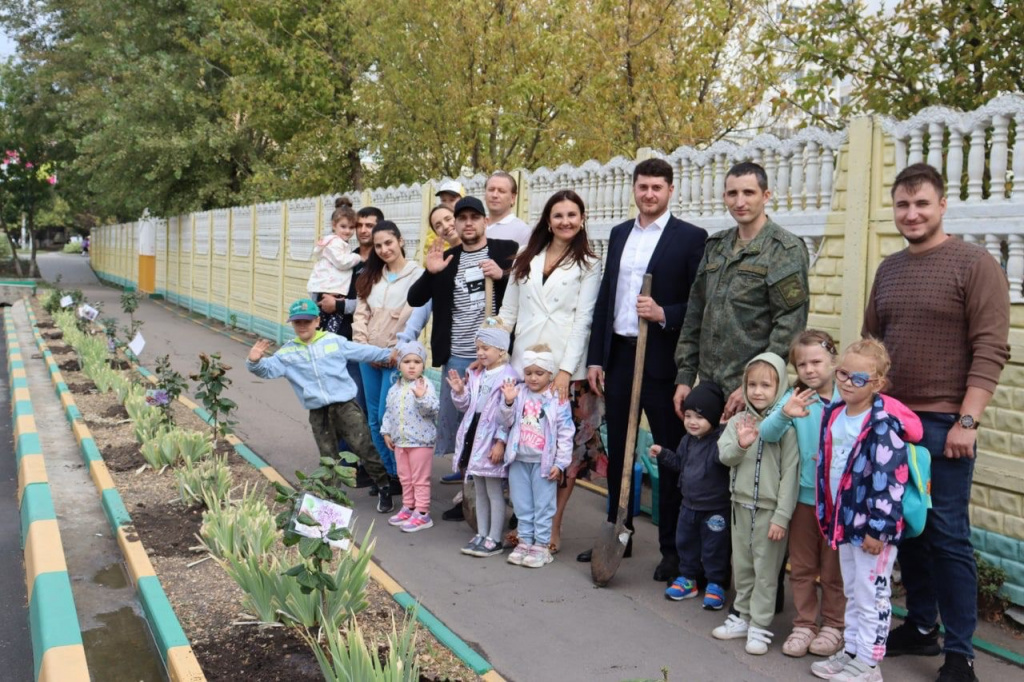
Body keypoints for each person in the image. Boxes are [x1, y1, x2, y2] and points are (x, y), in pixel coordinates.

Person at [863, 163, 1010, 682]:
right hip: (893, 423)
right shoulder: (889, 269)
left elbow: (990, 349)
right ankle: (921, 627)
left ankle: (961, 652)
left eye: (921, 203)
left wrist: (967, 421)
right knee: (908, 528)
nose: (912, 213)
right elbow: (872, 349)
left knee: (947, 535)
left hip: (948, 421)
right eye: (903, 205)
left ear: (942, 205)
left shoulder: (974, 265)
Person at [578, 157, 707, 583]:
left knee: (668, 455)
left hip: (661, 362)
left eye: (657, 187)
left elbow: (699, 304)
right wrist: (596, 357)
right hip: (618, 356)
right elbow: (606, 298)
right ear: (633, 189)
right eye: (642, 186)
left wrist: (664, 312)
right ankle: (621, 531)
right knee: (621, 453)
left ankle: (671, 550)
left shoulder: (690, 238)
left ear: (671, 190)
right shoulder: (619, 234)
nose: (648, 193)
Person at [810, 339, 922, 682]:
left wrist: (879, 529)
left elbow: (891, 482)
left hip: (874, 529)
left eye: (858, 378)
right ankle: (854, 651)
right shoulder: (835, 414)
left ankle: (870, 665)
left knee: (872, 593)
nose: (846, 382)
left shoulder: (882, 425)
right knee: (853, 590)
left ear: (877, 384)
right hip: (845, 522)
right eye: (842, 373)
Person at [496, 189, 602, 551]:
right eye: (559, 215)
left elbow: (583, 320)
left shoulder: (589, 264)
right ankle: (527, 523)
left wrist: (564, 371)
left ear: (582, 218)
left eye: (573, 214)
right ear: (548, 220)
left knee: (564, 453)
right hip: (524, 367)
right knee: (523, 445)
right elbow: (507, 313)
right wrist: (492, 351)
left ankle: (552, 527)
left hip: (563, 371)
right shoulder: (526, 259)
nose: (566, 221)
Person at [674, 161, 810, 422]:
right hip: (710, 389)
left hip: (756, 395)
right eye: (732, 193)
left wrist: (752, 384)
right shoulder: (716, 246)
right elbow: (695, 314)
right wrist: (685, 376)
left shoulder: (785, 250)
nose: (740, 201)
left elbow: (790, 326)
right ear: (724, 196)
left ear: (765, 196)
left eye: (749, 193)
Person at [407, 196, 519, 502]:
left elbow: (525, 290)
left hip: (497, 356)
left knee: (499, 421)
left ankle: (500, 489)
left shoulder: (506, 250)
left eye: (474, 217)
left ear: (484, 221)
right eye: (462, 218)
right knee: (466, 425)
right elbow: (415, 299)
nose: (468, 223)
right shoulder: (447, 258)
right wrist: (430, 272)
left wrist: (503, 275)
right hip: (458, 353)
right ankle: (470, 493)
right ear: (455, 224)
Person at [245, 298, 395, 513]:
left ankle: (383, 486)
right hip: (319, 412)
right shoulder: (287, 352)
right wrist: (254, 361)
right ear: (293, 325)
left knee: (364, 447)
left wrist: (390, 354)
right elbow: (267, 370)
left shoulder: (333, 341)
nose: (303, 326)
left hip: (345, 406)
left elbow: (363, 352)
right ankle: (331, 501)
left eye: (307, 321)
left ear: (317, 321)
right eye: (298, 323)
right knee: (328, 456)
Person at [760, 330, 846, 659]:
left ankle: (834, 625)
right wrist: (785, 413)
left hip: (839, 502)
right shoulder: (796, 397)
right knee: (803, 567)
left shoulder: (848, 395)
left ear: (833, 360)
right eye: (801, 364)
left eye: (816, 362)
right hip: (803, 500)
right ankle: (805, 624)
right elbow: (767, 433)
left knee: (834, 568)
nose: (809, 370)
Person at [713, 353, 799, 656]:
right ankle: (742, 616)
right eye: (752, 384)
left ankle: (760, 625)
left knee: (767, 569)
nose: (758, 391)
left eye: (766, 385)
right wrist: (741, 444)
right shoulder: (738, 421)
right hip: (740, 505)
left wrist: (782, 516)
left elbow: (791, 474)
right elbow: (724, 456)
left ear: (780, 387)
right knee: (744, 565)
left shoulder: (786, 428)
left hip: (770, 512)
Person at [353, 221, 424, 483]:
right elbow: (361, 315)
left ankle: (399, 474)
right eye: (378, 245)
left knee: (390, 416)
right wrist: (365, 349)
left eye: (388, 243)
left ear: (401, 241)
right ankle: (384, 473)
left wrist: (398, 349)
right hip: (369, 356)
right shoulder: (371, 276)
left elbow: (414, 317)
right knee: (373, 417)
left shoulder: (417, 275)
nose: (384, 249)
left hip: (398, 358)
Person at [649, 381, 729, 610]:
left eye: (699, 418)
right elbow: (679, 463)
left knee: (715, 547)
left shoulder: (720, 442)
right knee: (685, 542)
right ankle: (688, 579)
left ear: (714, 418)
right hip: (688, 505)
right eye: (688, 416)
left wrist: (723, 430)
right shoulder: (687, 441)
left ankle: (715, 583)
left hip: (715, 508)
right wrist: (663, 454)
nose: (692, 422)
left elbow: (723, 459)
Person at [447, 320, 520, 557]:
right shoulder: (477, 373)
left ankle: (494, 538)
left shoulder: (508, 377)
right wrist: (459, 392)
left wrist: (500, 442)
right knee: (478, 490)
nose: (480, 353)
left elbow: (508, 417)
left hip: (490, 440)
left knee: (494, 491)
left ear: (501, 350)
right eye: (478, 348)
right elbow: (467, 406)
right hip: (475, 435)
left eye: (486, 348)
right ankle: (482, 533)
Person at [498, 345, 575, 569]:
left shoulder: (557, 399)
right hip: (519, 459)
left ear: (550, 373)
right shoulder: (518, 393)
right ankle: (524, 542)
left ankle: (542, 545)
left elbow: (566, 432)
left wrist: (560, 464)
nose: (532, 378)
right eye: (528, 372)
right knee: (522, 504)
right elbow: (504, 422)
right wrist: (508, 403)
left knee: (543, 505)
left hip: (543, 463)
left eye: (539, 373)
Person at [381, 341, 439, 533]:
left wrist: (422, 397)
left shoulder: (425, 385)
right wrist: (386, 432)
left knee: (419, 479)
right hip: (401, 441)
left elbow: (433, 409)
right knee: (405, 477)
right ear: (399, 365)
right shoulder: (394, 388)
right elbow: (389, 412)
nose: (412, 365)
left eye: (417, 361)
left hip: (421, 442)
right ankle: (409, 507)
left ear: (423, 365)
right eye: (407, 361)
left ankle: (422, 513)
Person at [307, 198, 362, 332]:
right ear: (334, 225)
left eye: (351, 227)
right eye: (343, 226)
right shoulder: (335, 243)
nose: (347, 231)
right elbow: (342, 262)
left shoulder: (336, 242)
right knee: (330, 327)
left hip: (327, 289)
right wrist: (358, 257)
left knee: (322, 325)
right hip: (329, 291)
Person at [484, 171, 531, 246]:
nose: (494, 195)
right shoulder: (475, 226)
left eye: (501, 191)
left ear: (513, 198)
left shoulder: (522, 231)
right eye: (491, 189)